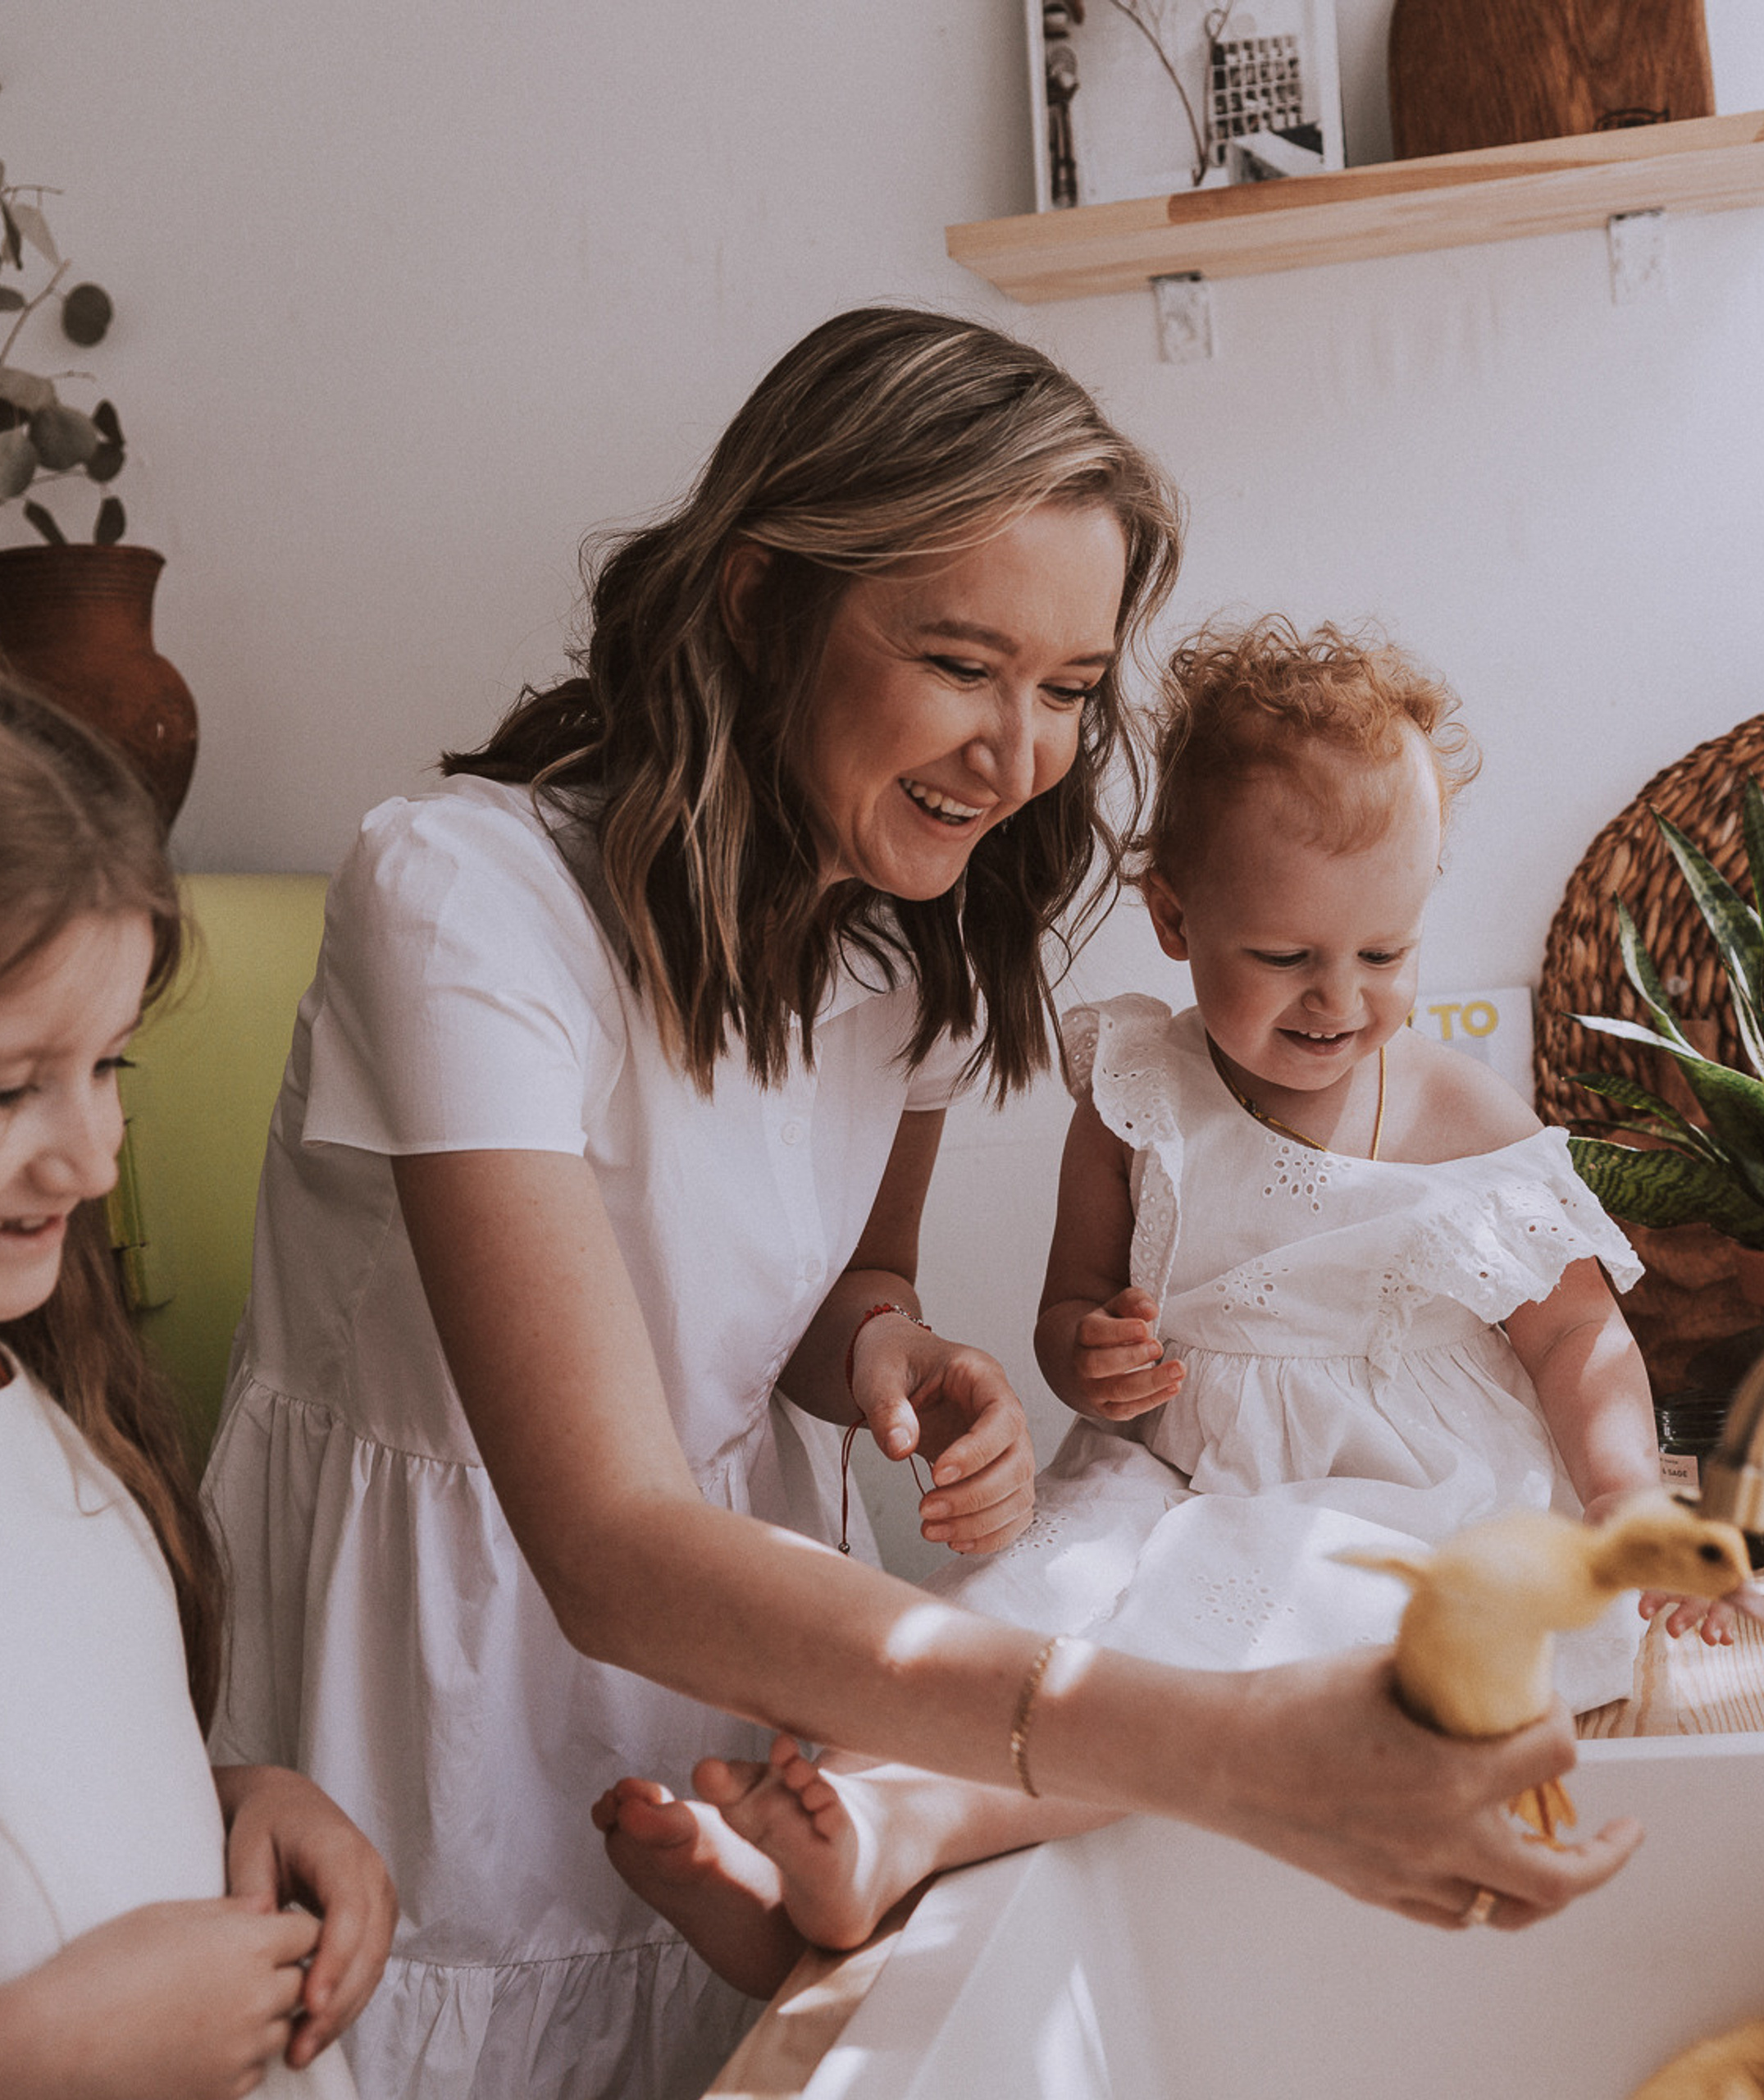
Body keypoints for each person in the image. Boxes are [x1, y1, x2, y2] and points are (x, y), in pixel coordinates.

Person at [203, 309, 1641, 2100]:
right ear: (758, 604)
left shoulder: (910, 938)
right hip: (450, 1679)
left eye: (1064, 687)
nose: (1018, 750)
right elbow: (601, 1538)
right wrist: (1220, 1744)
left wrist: (892, 1344)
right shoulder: (460, 899)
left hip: (756, 1673)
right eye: (963, 662)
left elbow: (833, 1279)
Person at [596, 619, 1750, 1984]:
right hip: (1167, 1472)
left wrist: (1624, 1499)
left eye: (1384, 954)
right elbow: (1071, 1309)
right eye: (1285, 958)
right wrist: (1093, 1360)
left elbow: (1574, 1334)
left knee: (1246, 1656)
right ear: (1176, 918)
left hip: (1391, 1497)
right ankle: (822, 1821)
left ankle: (896, 1832)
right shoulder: (1137, 1090)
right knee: (1019, 1607)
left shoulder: (1452, 1113)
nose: (1341, 1000)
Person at [0, 681, 396, 2100]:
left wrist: (229, 1803)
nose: (94, 1160)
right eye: (9, 1092)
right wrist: (35, 2054)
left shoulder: (41, 1394)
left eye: (106, 1066)